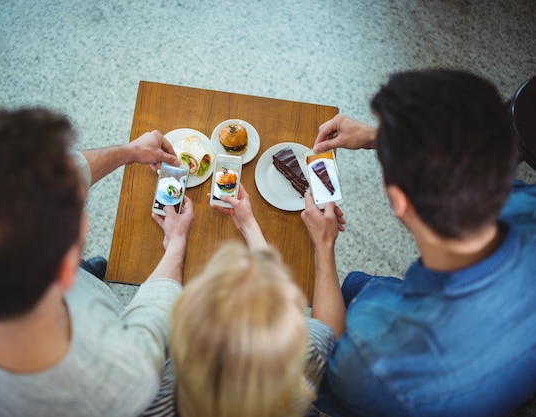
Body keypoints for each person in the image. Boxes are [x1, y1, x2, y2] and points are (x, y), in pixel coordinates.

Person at [0, 108, 194, 417]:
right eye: (77, 228)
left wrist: (129, 152)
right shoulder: (117, 375)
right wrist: (176, 244)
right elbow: (149, 325)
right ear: (64, 272)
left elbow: (47, 178)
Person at [310, 69, 536, 416]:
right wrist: (381, 138)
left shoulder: (373, 358)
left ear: (400, 202)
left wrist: (324, 249)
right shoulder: (526, 202)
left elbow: (324, 361)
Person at [140, 184, 346, 417]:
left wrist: (176, 242)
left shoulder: (147, 392)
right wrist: (324, 244)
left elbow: (153, 305)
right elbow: (331, 334)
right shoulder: (303, 354)